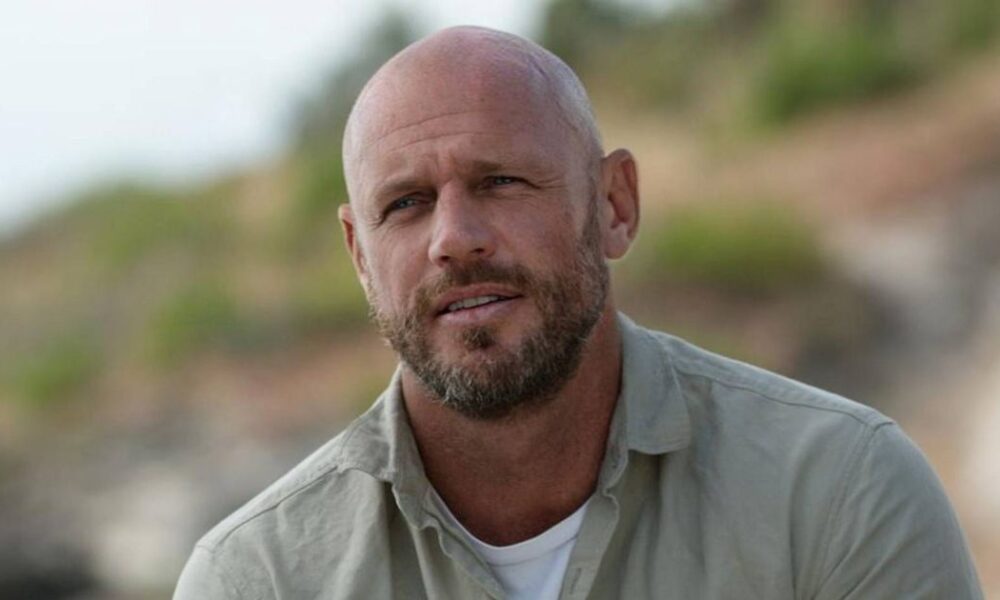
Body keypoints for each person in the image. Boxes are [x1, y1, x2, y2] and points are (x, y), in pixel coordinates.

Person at [174, 26, 983, 599]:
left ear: (614, 205)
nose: (453, 239)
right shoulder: (257, 578)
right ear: (359, 255)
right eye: (407, 204)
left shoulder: (837, 492)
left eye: (501, 182)